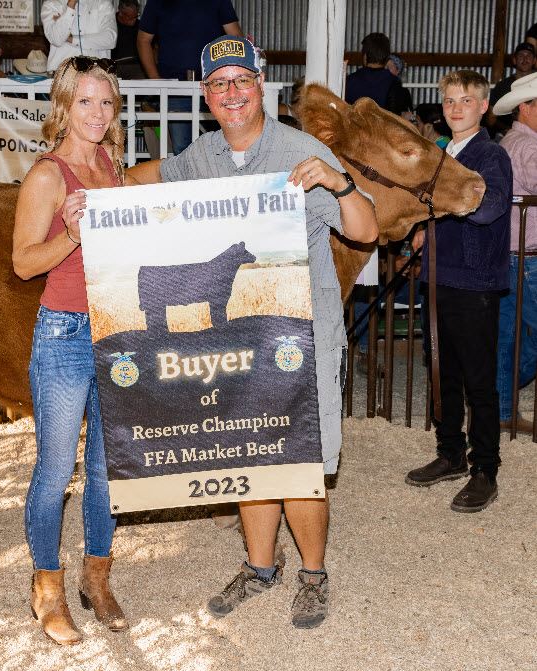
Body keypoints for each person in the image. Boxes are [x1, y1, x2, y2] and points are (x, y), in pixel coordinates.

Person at [127, 35, 378, 628]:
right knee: (250, 447)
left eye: (241, 79)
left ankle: (313, 574)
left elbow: (365, 231)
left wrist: (339, 184)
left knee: (299, 458)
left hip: (300, 332)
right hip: (240, 341)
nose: (231, 92)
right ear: (207, 95)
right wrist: (92, 189)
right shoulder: (204, 156)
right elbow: (149, 176)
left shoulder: (302, 150)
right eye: (219, 83)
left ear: (259, 85)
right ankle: (261, 566)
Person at [12, 56, 128, 646]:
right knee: (56, 468)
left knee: (108, 470)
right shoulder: (47, 176)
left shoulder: (112, 165)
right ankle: (47, 589)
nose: (97, 112)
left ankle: (96, 578)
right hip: (64, 332)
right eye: (85, 101)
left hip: (116, 330)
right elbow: (23, 261)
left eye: (106, 102)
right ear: (63, 105)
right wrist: (70, 236)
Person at [405, 70, 512, 513]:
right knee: (442, 373)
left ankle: (485, 468)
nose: (455, 108)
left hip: (475, 279)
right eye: (449, 100)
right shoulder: (443, 152)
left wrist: (439, 202)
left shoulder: (491, 157)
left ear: (483, 106)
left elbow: (487, 209)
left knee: (478, 380)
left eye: (466, 100)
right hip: (439, 275)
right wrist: (420, 225)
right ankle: (450, 452)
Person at [136, 0, 242, 154]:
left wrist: (234, 74)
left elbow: (236, 37)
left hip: (214, 84)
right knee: (182, 148)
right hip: (175, 88)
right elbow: (143, 39)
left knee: (223, 144)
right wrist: (156, 80)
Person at [492, 73, 537, 432]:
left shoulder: (511, 141)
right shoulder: (528, 146)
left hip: (510, 255)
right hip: (527, 258)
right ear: (525, 108)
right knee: (515, 334)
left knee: (507, 334)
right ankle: (499, 400)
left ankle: (501, 409)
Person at [41, 0, 117, 74]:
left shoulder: (102, 3)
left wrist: (72, 39)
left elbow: (110, 39)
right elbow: (56, 38)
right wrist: (70, 6)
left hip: (97, 74)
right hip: (63, 75)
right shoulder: (52, 4)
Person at [345, 32, 404, 110]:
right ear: (387, 57)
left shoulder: (349, 81)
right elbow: (394, 115)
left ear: (365, 56)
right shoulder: (394, 82)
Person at [487, 43, 536, 137]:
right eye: (521, 55)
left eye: (529, 55)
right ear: (514, 60)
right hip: (506, 135)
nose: (525, 59)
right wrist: (508, 130)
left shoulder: (536, 84)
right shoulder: (502, 87)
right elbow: (490, 118)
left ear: (534, 60)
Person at [111, 0, 143, 79]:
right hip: (115, 65)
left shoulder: (140, 27)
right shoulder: (110, 24)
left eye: (136, 16)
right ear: (121, 13)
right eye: (131, 17)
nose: (134, 20)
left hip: (136, 66)